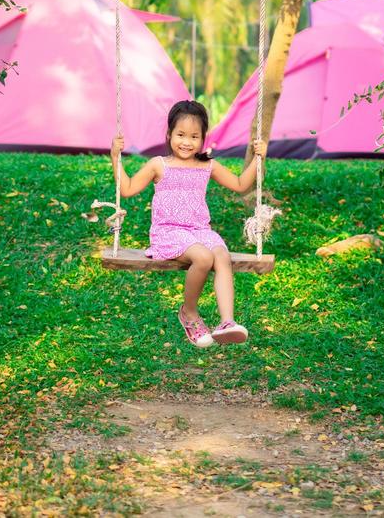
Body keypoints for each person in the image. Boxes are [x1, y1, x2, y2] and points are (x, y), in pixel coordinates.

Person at [110, 99, 267, 350]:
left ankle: (227, 322)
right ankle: (190, 313)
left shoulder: (207, 165)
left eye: (194, 136)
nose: (187, 141)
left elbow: (240, 185)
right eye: (181, 134)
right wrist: (115, 156)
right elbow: (127, 189)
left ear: (203, 138)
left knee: (221, 256)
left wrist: (259, 159)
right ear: (169, 134)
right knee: (204, 258)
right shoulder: (158, 165)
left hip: (200, 231)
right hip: (168, 232)